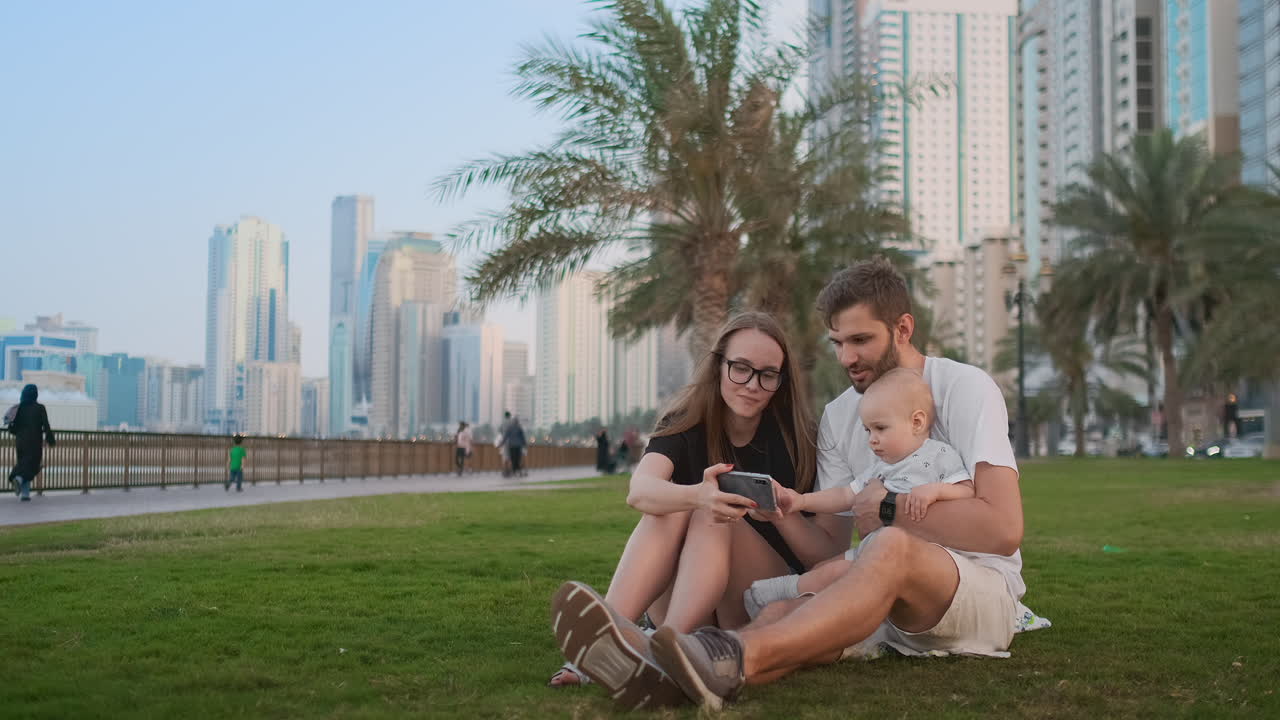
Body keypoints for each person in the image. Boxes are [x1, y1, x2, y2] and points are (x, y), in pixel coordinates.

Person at [558, 259, 1033, 710]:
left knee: (887, 546)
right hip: (873, 597)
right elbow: (829, 548)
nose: (847, 357)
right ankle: (678, 659)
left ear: (903, 329)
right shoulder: (839, 417)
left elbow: (1003, 528)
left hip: (972, 591)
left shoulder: (963, 388)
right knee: (783, 609)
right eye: (836, 342)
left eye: (860, 339)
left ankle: (728, 657)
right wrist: (784, 510)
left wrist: (887, 508)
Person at [549, 312, 836, 710]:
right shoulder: (685, 422)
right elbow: (640, 491)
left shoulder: (800, 437)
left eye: (768, 375)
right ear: (718, 365)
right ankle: (615, 639)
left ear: (781, 382)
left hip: (756, 603)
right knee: (675, 505)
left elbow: (824, 558)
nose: (753, 385)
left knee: (712, 510)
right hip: (687, 595)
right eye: (741, 368)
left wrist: (781, 513)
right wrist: (696, 496)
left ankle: (661, 654)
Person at [742, 368, 973, 617]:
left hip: (915, 558)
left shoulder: (939, 455)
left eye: (880, 428)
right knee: (824, 568)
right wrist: (801, 501)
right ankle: (787, 608)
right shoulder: (881, 470)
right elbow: (844, 495)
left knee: (832, 574)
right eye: (867, 430)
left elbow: (967, 491)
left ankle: (777, 593)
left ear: (916, 422)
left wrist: (935, 491)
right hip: (874, 551)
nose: (871, 440)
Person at [6, 384, 55, 502]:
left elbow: (12, 428)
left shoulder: (18, 408)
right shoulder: (40, 408)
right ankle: (17, 478)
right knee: (32, 465)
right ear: (35, 394)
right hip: (34, 442)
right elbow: (46, 425)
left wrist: (18, 433)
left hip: (20, 442)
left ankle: (25, 494)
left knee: (24, 464)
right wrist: (50, 439)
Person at [497, 411, 513, 477]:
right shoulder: (512, 422)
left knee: (504, 457)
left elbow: (500, 430)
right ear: (509, 416)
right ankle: (509, 471)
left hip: (504, 442)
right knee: (510, 457)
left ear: (505, 416)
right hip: (512, 442)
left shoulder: (503, 423)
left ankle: (504, 471)